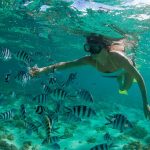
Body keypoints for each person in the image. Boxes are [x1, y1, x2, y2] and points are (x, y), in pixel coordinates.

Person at [29, 25, 150, 119]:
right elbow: (66, 64)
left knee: (124, 89)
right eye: (89, 48)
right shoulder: (91, 60)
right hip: (116, 70)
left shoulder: (117, 57)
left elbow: (139, 78)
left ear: (105, 48)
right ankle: (119, 77)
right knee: (122, 87)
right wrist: (42, 70)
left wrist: (145, 104)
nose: (92, 52)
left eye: (96, 48)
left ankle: (122, 76)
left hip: (126, 68)